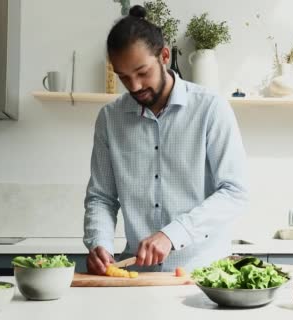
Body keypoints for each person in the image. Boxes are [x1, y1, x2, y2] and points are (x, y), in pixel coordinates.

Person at [84, 5, 248, 275]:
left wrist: (173, 234)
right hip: (138, 273)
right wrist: (99, 242)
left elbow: (234, 192)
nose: (135, 86)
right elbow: (101, 197)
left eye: (142, 72)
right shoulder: (110, 118)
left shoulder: (210, 109)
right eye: (124, 77)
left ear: (164, 55)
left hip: (203, 274)